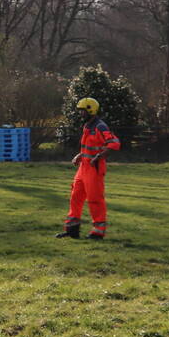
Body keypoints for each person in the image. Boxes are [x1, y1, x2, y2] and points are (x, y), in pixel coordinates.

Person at [56, 97, 121, 240]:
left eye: (82, 111)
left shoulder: (100, 127)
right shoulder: (87, 126)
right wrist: (79, 155)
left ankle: (98, 232)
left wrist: (98, 157)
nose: (80, 114)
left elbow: (114, 143)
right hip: (83, 167)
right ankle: (72, 230)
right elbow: (88, 147)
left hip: (94, 168)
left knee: (94, 199)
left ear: (91, 110)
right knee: (75, 197)